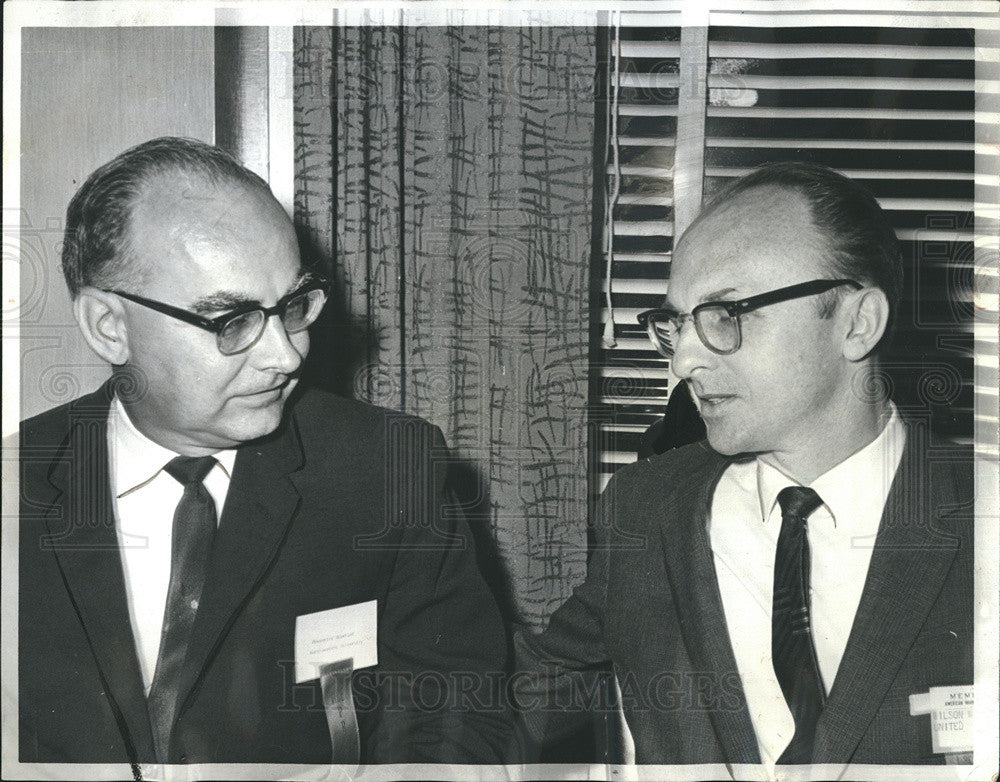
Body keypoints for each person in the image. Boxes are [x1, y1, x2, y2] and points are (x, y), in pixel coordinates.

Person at [18, 137, 511, 769]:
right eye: (232, 320)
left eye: (293, 306)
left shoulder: (389, 467)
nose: (288, 355)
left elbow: (459, 716)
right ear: (109, 326)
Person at [514, 162, 973, 767]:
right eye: (675, 324)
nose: (681, 363)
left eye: (727, 315)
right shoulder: (645, 508)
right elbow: (527, 701)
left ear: (857, 324)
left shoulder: (981, 519)